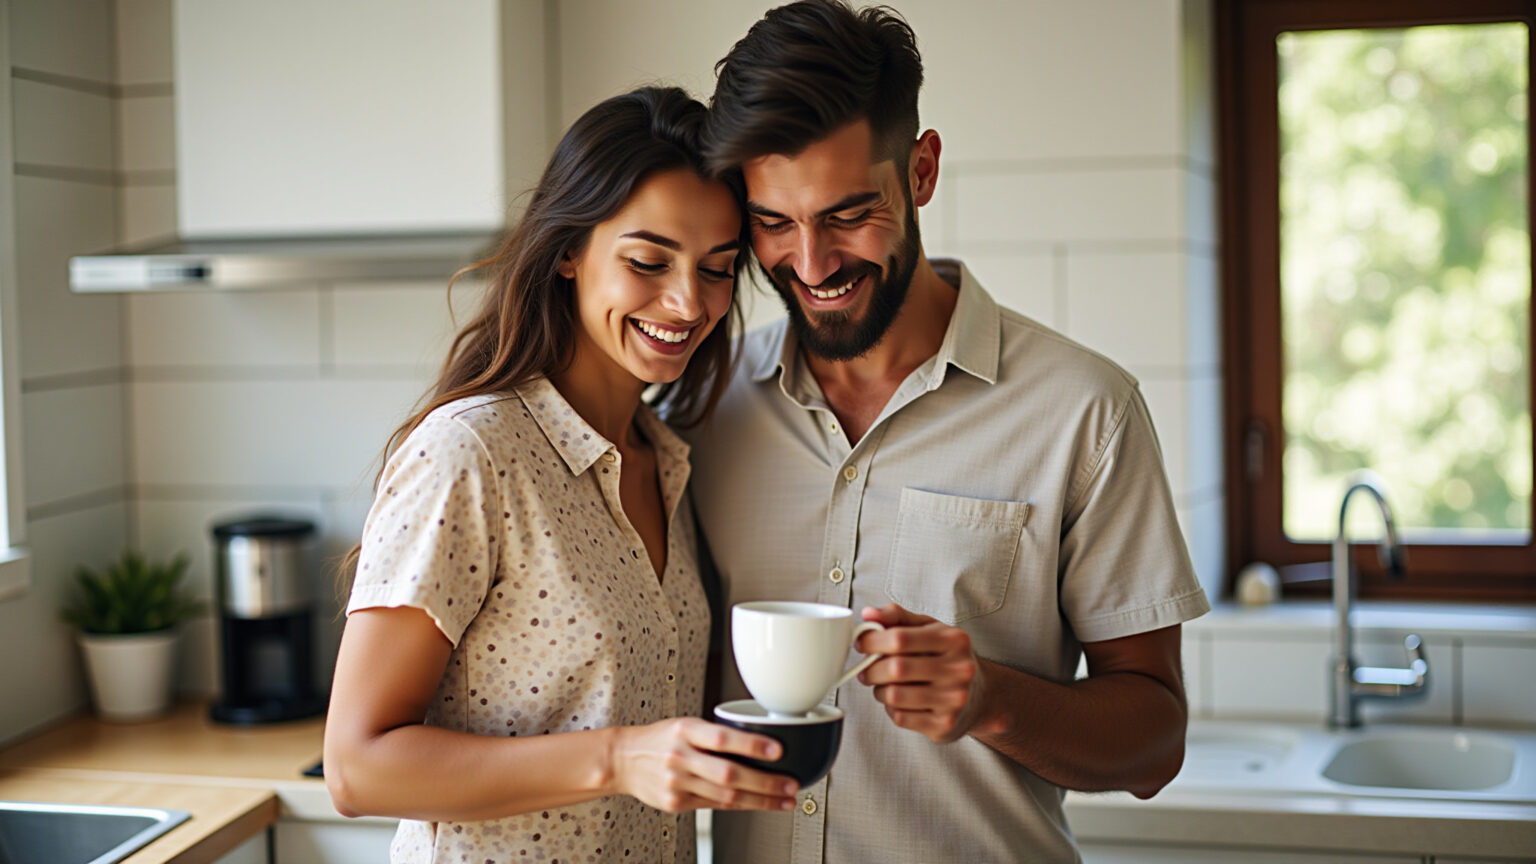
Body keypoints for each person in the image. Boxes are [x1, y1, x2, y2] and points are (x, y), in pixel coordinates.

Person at [680, 2, 1213, 861]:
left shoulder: (1085, 410)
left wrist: (988, 700)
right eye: (774, 223)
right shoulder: (704, 410)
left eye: (849, 214)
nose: (810, 267)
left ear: (921, 171)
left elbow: (1155, 741)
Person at [323, 86, 801, 864]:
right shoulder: (473, 454)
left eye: (718, 269)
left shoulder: (669, 460)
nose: (688, 303)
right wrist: (618, 759)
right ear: (569, 251)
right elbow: (355, 767)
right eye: (649, 261)